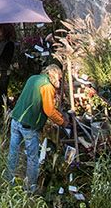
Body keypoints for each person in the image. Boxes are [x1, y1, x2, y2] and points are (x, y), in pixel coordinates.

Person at [7, 64, 67, 192]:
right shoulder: (47, 86)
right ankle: (30, 188)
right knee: (33, 158)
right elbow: (49, 111)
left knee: (13, 153)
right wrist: (62, 122)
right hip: (29, 125)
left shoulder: (33, 78)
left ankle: (9, 182)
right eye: (60, 78)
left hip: (16, 119)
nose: (60, 81)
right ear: (55, 74)